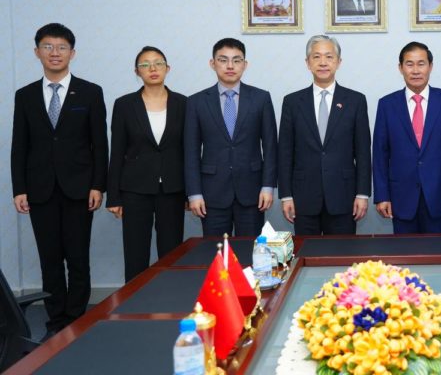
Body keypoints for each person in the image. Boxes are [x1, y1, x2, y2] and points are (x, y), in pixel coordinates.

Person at [11, 23, 108, 339]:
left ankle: (77, 319)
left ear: (72, 53)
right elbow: (19, 145)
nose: (55, 53)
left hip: (80, 188)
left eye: (62, 47)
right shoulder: (25, 95)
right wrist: (19, 188)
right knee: (49, 259)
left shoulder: (90, 92)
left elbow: (99, 144)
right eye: (48, 46)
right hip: (39, 189)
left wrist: (98, 185)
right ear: (37, 52)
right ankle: (55, 322)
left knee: (78, 258)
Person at [106, 46, 187, 282]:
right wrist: (113, 196)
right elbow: (117, 151)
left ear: (167, 68)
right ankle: (134, 301)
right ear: (137, 71)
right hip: (134, 189)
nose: (152, 68)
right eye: (145, 64)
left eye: (158, 63)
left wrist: (191, 193)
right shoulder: (124, 105)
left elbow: (189, 150)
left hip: (172, 189)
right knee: (135, 253)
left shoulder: (183, 103)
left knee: (171, 254)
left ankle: (171, 299)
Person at [184, 38, 278, 237]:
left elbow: (271, 147)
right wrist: (194, 193)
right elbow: (190, 152)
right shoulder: (196, 102)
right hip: (211, 193)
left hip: (253, 193)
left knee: (251, 250)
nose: (230, 66)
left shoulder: (261, 98)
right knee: (216, 252)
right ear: (212, 63)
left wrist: (268, 186)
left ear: (245, 64)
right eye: (223, 60)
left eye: (236, 60)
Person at [278, 35, 371, 235]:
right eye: (316, 57)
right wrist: (286, 195)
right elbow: (284, 153)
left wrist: (362, 193)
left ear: (338, 62)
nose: (323, 63)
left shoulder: (355, 101)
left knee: (342, 251)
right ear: (307, 63)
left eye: (329, 57)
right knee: (305, 250)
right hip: (303, 198)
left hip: (344, 197)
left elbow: (363, 152)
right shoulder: (292, 102)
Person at [372, 42, 441, 234]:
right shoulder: (387, 105)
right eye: (409, 64)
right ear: (400, 68)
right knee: (405, 251)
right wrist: (382, 195)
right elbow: (380, 153)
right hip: (401, 198)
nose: (415, 70)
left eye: (421, 64)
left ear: (430, 66)